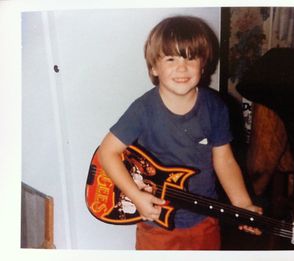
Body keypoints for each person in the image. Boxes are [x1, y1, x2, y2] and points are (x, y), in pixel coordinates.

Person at [98, 15, 262, 250]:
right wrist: (135, 196)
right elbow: (107, 152)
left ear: (203, 64)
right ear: (154, 67)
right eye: (171, 58)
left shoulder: (215, 107)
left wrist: (243, 204)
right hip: (156, 224)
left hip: (205, 218)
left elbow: (224, 159)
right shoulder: (143, 110)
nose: (182, 67)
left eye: (190, 57)